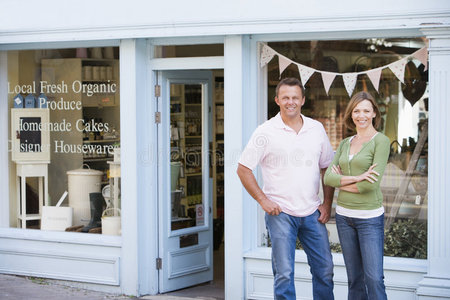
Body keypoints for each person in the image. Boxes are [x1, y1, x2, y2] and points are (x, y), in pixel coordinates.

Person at [237, 77, 335, 300]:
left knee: (325, 270)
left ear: (302, 100)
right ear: (277, 100)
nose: (290, 102)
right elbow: (243, 169)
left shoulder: (316, 128)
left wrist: (327, 203)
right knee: (284, 274)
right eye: (285, 98)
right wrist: (263, 200)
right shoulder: (265, 131)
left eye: (295, 97)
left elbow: (327, 168)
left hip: (312, 213)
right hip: (280, 214)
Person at [324, 91, 390, 300]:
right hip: (344, 217)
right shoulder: (345, 143)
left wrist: (342, 182)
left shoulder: (381, 141)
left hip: (369, 218)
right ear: (351, 114)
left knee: (374, 279)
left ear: (373, 114)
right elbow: (327, 178)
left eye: (366, 111)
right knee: (354, 279)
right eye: (357, 111)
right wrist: (359, 177)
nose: (361, 115)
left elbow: (370, 186)